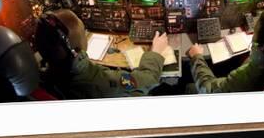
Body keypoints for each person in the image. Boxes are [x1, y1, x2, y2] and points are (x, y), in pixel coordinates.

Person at [34, 9, 168, 99]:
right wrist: (155, 52)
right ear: (77, 48)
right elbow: (148, 79)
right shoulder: (104, 82)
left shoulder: (42, 78)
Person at [187, 8, 264, 93]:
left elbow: (208, 89)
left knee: (189, 87)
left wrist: (196, 57)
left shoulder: (246, 78)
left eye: (256, 27)